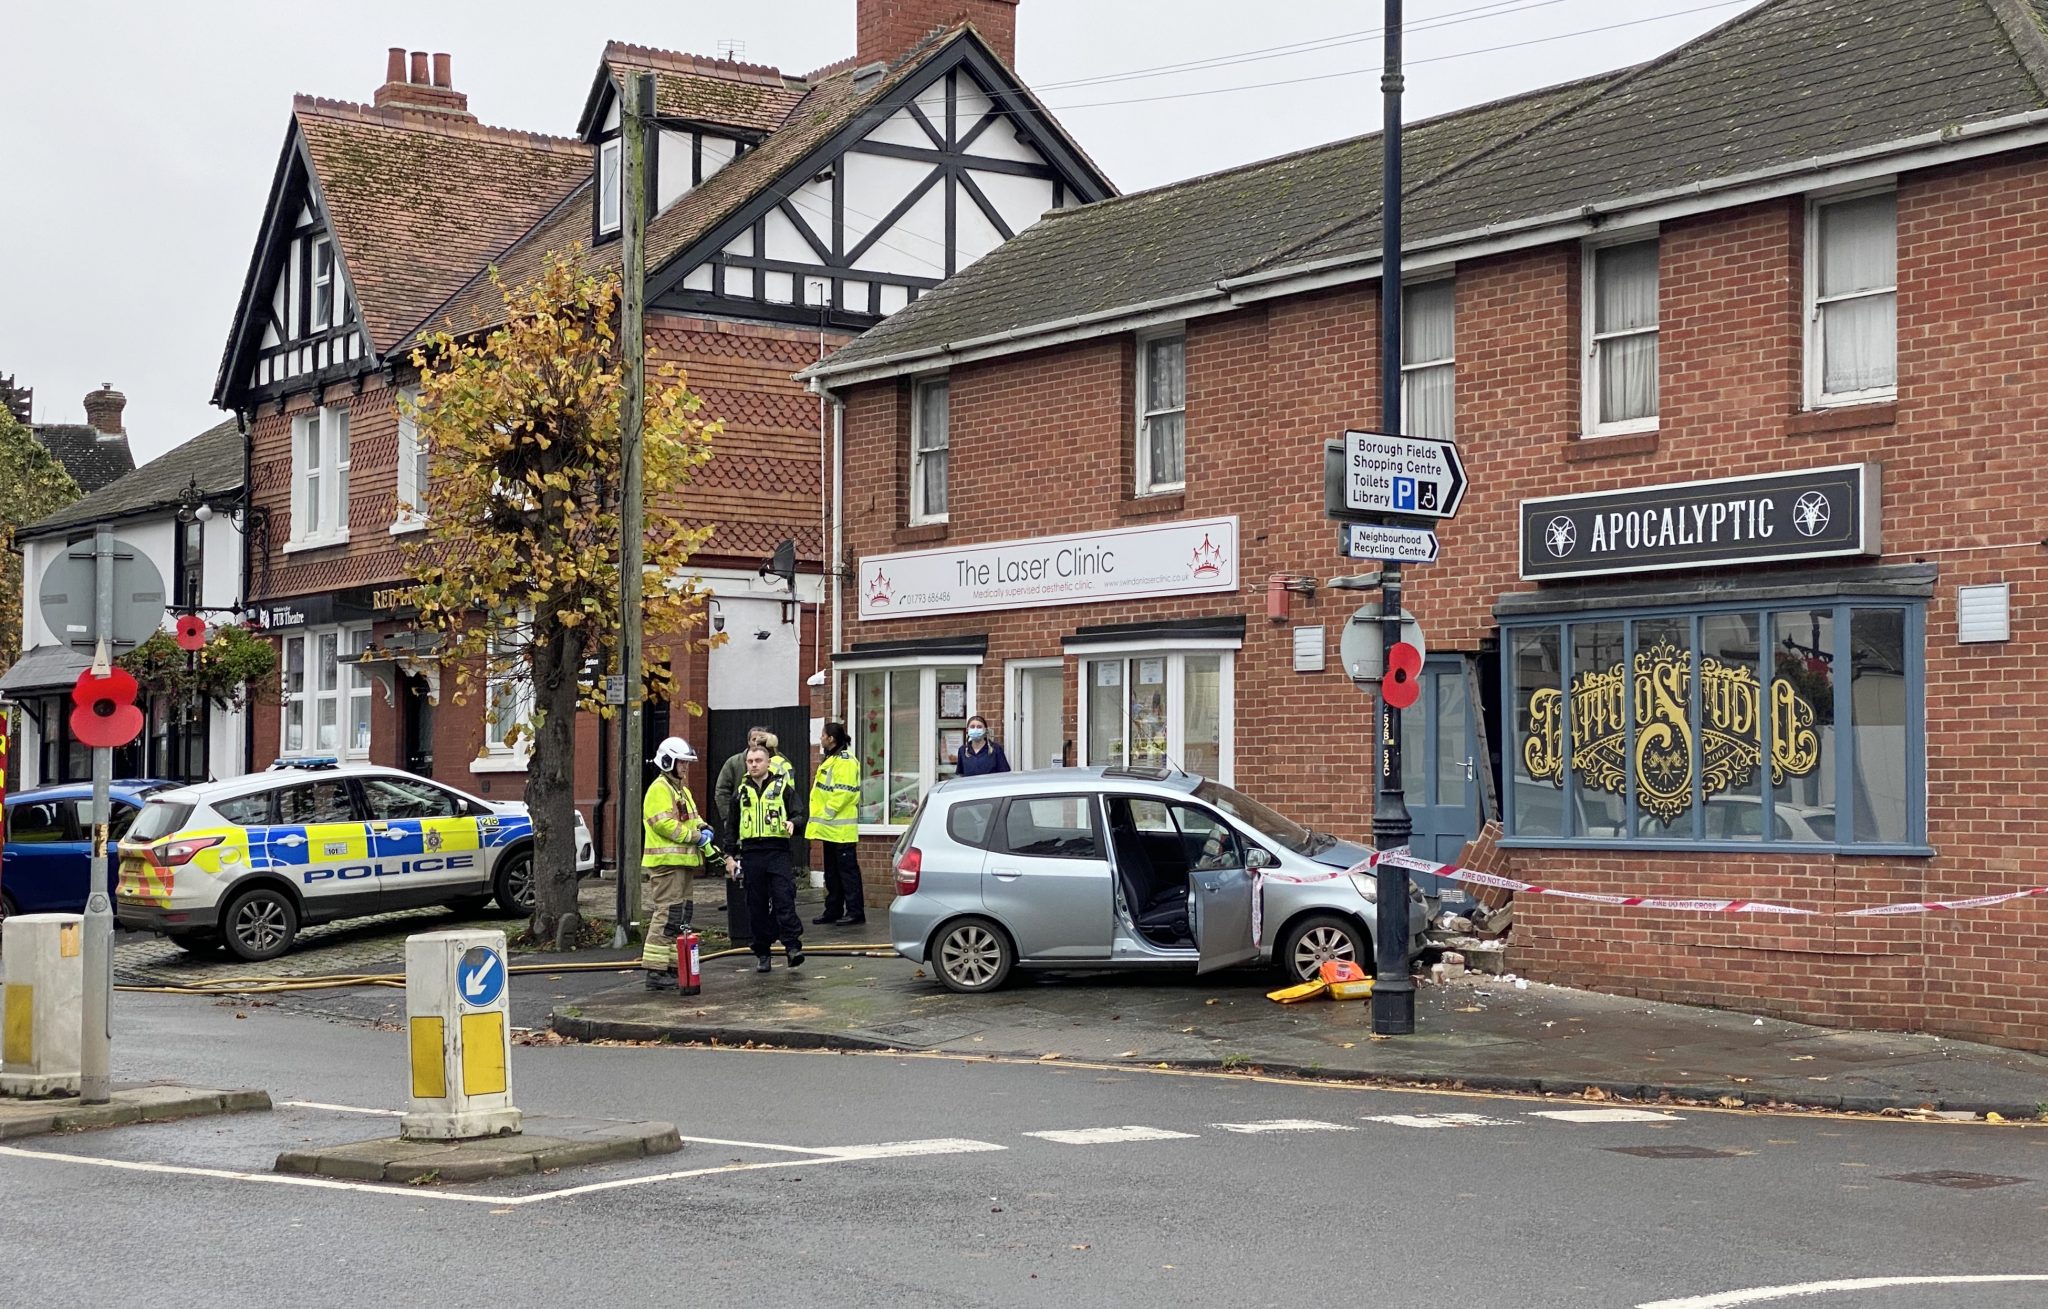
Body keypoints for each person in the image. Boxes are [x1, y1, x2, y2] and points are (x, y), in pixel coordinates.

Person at [725, 743, 806, 972]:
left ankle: (792, 948)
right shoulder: (740, 793)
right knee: (756, 906)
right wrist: (729, 856)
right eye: (750, 762)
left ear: (768, 762)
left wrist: (793, 823)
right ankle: (762, 952)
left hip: (777, 851)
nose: (753, 765)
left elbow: (799, 814)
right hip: (751, 854)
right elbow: (731, 827)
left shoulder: (782, 788)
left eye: (758, 761)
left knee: (784, 899)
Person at [640, 736, 712, 990]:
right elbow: (664, 824)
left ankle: (670, 967)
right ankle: (655, 971)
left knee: (681, 916)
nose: (685, 767)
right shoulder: (659, 789)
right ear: (668, 761)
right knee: (667, 914)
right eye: (682, 762)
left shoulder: (681, 790)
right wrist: (696, 836)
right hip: (666, 864)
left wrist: (703, 827)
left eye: (686, 763)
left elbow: (693, 818)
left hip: (682, 864)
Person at [807, 720, 865, 926]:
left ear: (830, 739)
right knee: (832, 874)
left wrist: (828, 813)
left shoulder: (845, 761)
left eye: (823, 735)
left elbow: (845, 792)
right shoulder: (832, 759)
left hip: (840, 828)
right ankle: (833, 909)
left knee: (847, 874)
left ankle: (855, 912)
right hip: (829, 829)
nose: (821, 738)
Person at [715, 725, 795, 840]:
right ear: (748, 742)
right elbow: (721, 791)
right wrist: (730, 817)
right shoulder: (734, 762)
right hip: (744, 822)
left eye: (761, 740)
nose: (757, 743)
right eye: (754, 740)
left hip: (771, 826)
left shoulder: (779, 762)